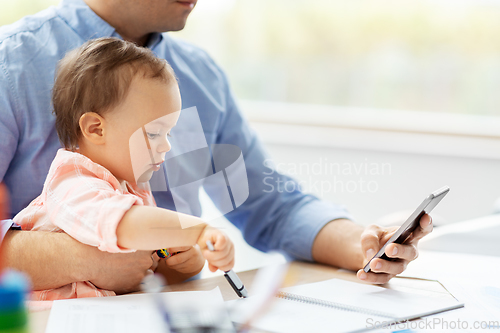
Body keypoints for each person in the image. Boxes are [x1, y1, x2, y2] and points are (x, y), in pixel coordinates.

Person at [0, 0, 432, 292]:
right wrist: (74, 258)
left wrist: (365, 244)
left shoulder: (199, 76)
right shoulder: (11, 65)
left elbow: (271, 206)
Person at [12, 37, 234, 300]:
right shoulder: (73, 182)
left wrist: (182, 264)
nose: (166, 147)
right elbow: (122, 225)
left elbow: (141, 273)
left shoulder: (132, 189)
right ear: (96, 129)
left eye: (169, 134)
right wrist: (198, 230)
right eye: (154, 134)